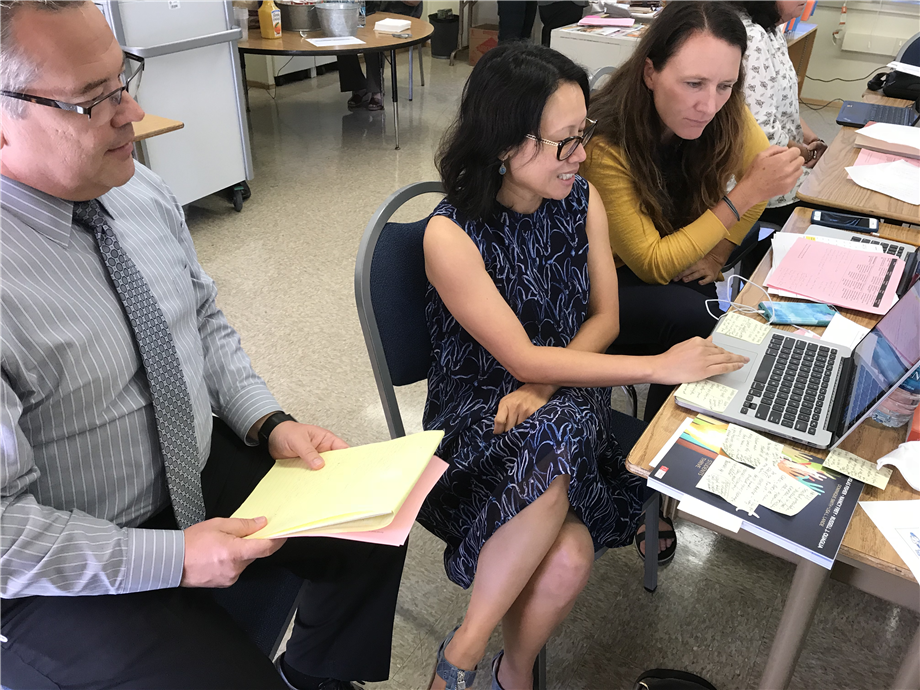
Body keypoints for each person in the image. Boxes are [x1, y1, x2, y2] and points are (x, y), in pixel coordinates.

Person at [0, 2, 406, 689]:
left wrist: (267, 420)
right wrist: (173, 560)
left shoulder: (140, 192)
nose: (130, 110)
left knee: (370, 528)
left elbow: (201, 319)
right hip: (59, 560)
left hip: (188, 469)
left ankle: (315, 678)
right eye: (93, 101)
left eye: (122, 78)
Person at [418, 42, 748, 690]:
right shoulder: (448, 235)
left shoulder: (581, 200)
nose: (583, 155)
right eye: (565, 141)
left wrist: (545, 382)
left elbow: (605, 320)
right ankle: (473, 659)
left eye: (584, 134)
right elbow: (514, 356)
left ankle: (488, 669)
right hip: (476, 427)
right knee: (566, 544)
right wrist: (656, 368)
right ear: (505, 143)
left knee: (565, 480)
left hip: (560, 399)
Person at [580, 0, 804, 420]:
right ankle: (658, 448)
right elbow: (650, 264)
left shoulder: (726, 111)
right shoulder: (607, 143)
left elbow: (761, 191)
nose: (709, 105)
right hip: (599, 280)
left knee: (718, 307)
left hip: (668, 253)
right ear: (650, 72)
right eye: (693, 83)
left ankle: (682, 430)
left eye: (725, 86)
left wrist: (719, 252)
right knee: (696, 315)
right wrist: (741, 197)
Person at [730, 0, 827, 227]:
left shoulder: (770, 29)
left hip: (785, 159)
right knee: (838, 202)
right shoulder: (752, 37)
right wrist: (807, 155)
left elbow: (782, 105)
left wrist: (812, 139)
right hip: (757, 177)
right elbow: (763, 133)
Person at [337, 0, 422, 111]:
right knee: (340, 34)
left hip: (400, 15)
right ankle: (357, 86)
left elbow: (414, 2)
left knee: (372, 39)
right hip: (371, 11)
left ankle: (375, 90)